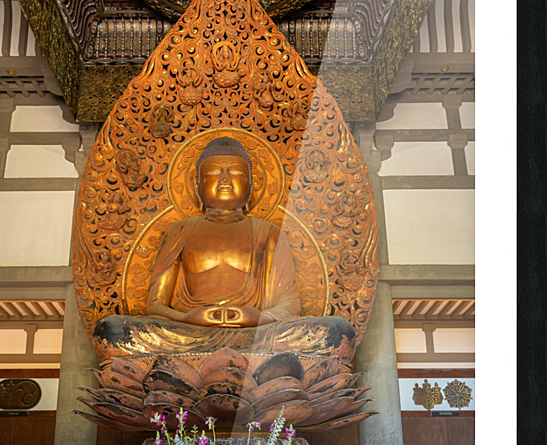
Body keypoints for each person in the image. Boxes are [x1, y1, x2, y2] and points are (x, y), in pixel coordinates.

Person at [93, 136, 355, 359]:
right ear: (197, 188)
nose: (227, 179)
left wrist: (253, 317)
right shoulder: (180, 231)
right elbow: (156, 306)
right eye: (214, 173)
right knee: (112, 331)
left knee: (337, 331)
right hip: (190, 333)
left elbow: (289, 307)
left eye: (237, 173)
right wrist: (191, 318)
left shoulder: (269, 233)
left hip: (257, 333)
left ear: (251, 188)